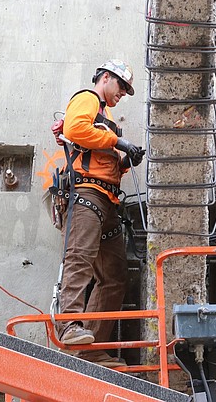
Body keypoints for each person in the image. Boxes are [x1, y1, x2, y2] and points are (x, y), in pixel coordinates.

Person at [50, 59, 144, 367]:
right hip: (86, 194)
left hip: (107, 200)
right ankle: (67, 325)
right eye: (121, 87)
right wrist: (119, 141)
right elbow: (77, 129)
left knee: (115, 276)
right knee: (80, 257)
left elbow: (100, 157)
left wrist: (124, 160)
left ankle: (90, 348)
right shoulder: (87, 99)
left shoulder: (105, 117)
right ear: (105, 78)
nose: (123, 94)